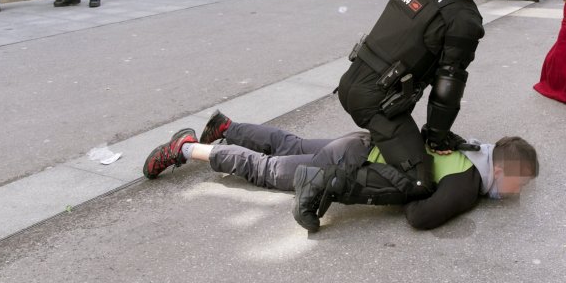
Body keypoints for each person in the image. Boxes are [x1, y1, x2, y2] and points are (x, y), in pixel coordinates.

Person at [141, 111, 539, 232]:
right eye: (518, 182)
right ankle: (187, 148)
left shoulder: (469, 147)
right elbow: (420, 217)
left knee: (290, 144)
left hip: (360, 144)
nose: (516, 191)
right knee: (267, 170)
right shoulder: (467, 185)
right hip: (352, 167)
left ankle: (228, 127)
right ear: (502, 169)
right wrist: (428, 192)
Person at [332, 0, 491, 205]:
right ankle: (325, 182)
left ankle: (368, 156)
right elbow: (448, 86)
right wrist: (437, 137)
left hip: (352, 83)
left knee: (402, 146)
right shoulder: (462, 17)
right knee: (419, 181)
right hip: (376, 104)